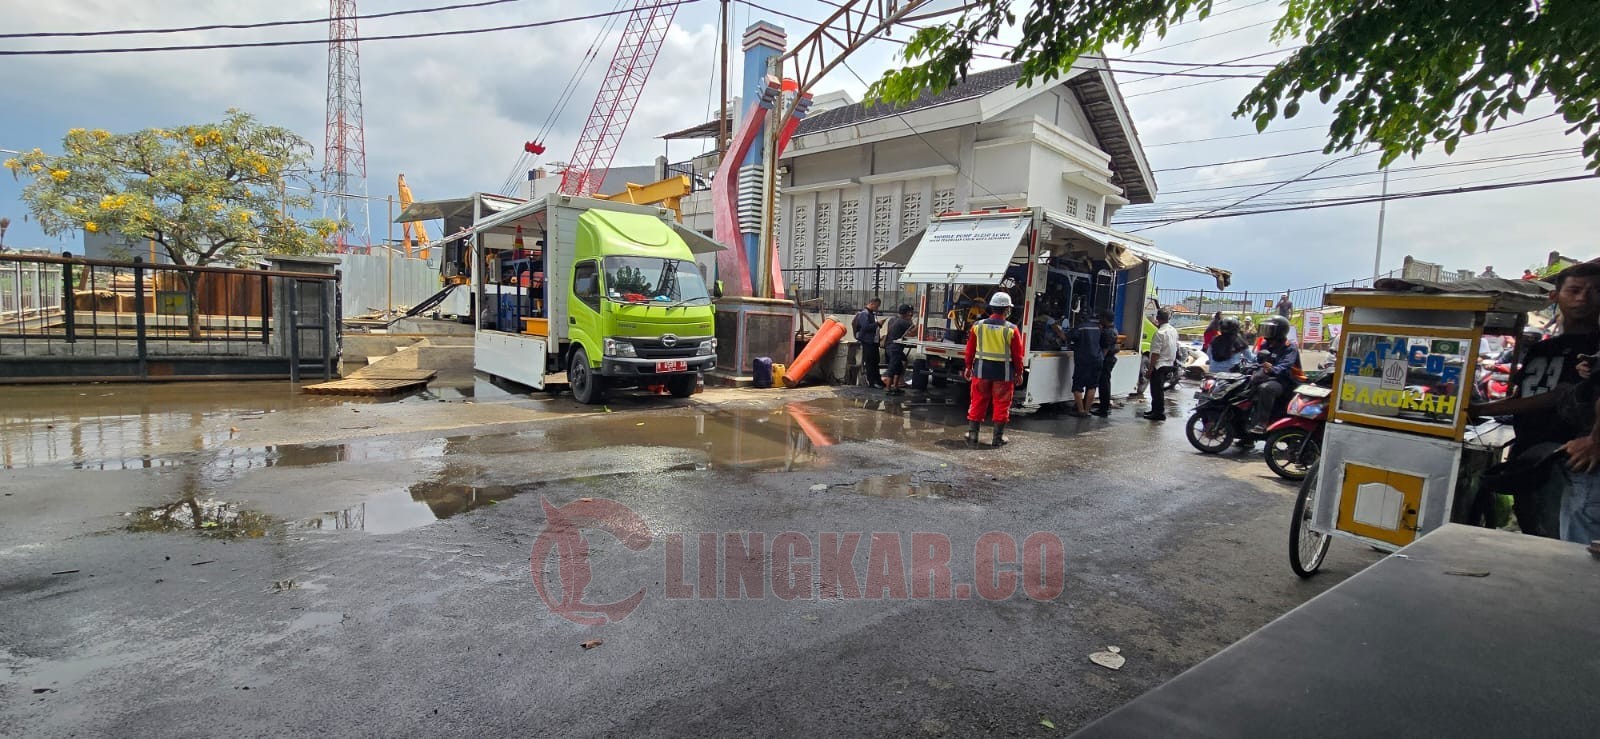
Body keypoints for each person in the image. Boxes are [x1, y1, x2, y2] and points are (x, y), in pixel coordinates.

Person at [1470, 261, 1600, 537]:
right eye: (1574, 290)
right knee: (1534, 527)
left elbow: (1559, 395)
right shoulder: (1543, 348)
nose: (1583, 299)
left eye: (1594, 291)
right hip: (1531, 455)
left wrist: (1482, 409)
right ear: (1555, 296)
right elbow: (1526, 393)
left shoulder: (1594, 346)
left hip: (1569, 458)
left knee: (1563, 538)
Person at [963, 292, 1025, 446]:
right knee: (1001, 403)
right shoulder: (1012, 329)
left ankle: (973, 435)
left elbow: (970, 350)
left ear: (991, 307)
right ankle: (997, 438)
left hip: (981, 371)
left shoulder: (978, 326)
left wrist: (968, 367)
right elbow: (1018, 355)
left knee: (977, 400)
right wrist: (1019, 373)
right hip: (1003, 373)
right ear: (1007, 309)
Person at [1247, 316, 1304, 434]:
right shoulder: (1265, 344)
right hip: (1269, 376)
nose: (1266, 332)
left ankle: (1262, 423)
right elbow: (1258, 360)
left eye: (1270, 329)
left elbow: (1285, 366)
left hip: (1286, 380)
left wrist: (1272, 369)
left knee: (1266, 388)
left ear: (1279, 331)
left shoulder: (1290, 347)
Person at [1144, 309, 1179, 421]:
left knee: (1156, 391)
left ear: (1157, 318)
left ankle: (1158, 413)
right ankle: (1155, 410)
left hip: (1159, 365)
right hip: (1169, 363)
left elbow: (1155, 354)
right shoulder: (1173, 330)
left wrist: (1150, 369)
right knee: (1158, 390)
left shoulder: (1159, 333)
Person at [1068, 312, 1105, 417]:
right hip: (1097, 359)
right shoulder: (1098, 328)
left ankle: (1081, 411)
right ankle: (1087, 411)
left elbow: (1068, 337)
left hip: (1083, 360)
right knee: (1092, 386)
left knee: (1077, 386)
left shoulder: (1080, 328)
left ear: (1080, 318)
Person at [1093, 311, 1120, 417]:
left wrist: (1099, 361)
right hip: (1109, 359)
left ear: (1105, 319)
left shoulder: (1107, 332)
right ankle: (1104, 407)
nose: (1100, 320)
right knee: (1105, 383)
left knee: (1104, 384)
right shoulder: (1113, 330)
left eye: (1101, 318)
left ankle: (1104, 409)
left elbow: (1105, 349)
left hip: (1106, 360)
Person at [853, 297, 884, 389]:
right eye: (877, 306)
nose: (877, 308)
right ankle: (872, 382)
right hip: (867, 342)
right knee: (870, 362)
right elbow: (866, 327)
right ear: (872, 304)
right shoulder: (864, 314)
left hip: (874, 342)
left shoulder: (872, 314)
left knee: (875, 361)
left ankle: (878, 380)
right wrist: (877, 324)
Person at [884, 304, 915, 395]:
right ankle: (888, 388)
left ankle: (896, 386)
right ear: (907, 313)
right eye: (910, 312)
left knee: (899, 366)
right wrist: (916, 323)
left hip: (890, 346)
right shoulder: (903, 322)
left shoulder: (892, 319)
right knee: (893, 367)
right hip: (895, 347)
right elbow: (914, 333)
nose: (911, 314)